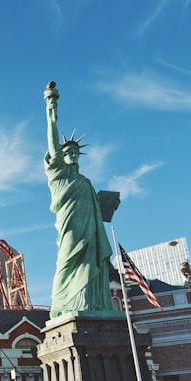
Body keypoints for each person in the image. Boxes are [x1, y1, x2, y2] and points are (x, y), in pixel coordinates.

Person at [43, 81, 119, 318]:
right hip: (71, 230)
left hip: (92, 232)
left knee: (93, 267)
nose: (72, 154)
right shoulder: (59, 174)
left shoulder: (85, 181)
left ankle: (94, 305)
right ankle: (61, 304)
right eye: (67, 152)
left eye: (75, 152)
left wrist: (104, 204)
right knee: (66, 264)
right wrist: (51, 110)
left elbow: (94, 207)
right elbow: (53, 143)